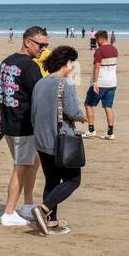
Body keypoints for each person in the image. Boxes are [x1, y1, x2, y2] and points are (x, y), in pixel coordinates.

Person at [0, 26, 49, 227]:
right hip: (23, 125)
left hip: (10, 123)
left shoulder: (7, 62)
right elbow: (41, 95)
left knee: (32, 162)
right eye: (41, 44)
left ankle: (27, 203)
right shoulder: (29, 66)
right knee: (21, 167)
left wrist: (2, 117)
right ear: (28, 42)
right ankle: (9, 212)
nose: (43, 48)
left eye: (46, 45)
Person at [29, 46, 86, 235]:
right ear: (67, 63)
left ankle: (51, 222)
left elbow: (34, 111)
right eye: (72, 63)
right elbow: (72, 111)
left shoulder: (40, 83)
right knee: (73, 179)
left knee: (51, 180)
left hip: (41, 139)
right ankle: (43, 209)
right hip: (59, 140)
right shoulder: (65, 84)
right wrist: (82, 116)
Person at [83, 30, 118, 140]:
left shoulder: (99, 51)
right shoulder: (114, 49)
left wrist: (95, 83)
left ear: (100, 39)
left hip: (101, 82)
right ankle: (110, 132)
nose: (96, 42)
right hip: (112, 83)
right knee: (108, 107)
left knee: (88, 104)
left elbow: (97, 67)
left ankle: (91, 130)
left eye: (97, 40)